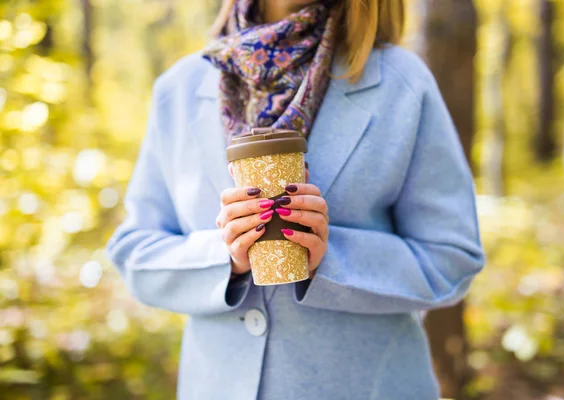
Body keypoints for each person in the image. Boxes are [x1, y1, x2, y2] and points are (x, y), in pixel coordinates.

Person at [105, 0, 486, 397]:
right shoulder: (178, 89)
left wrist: (330, 259)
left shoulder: (402, 83)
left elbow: (451, 257)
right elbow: (135, 252)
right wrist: (225, 257)